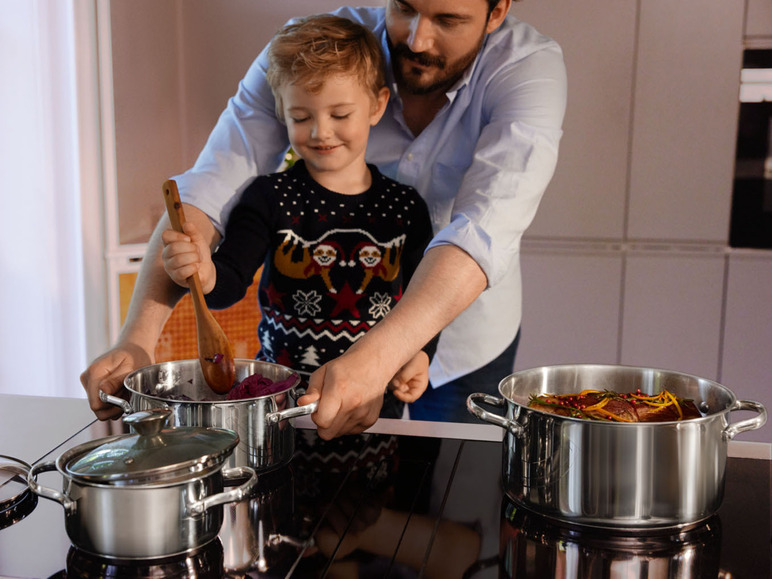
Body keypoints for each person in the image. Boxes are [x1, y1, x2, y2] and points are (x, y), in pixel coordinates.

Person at [81, 0, 567, 438]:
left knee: (445, 495)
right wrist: (138, 339)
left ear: (497, 11)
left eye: (449, 20)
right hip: (302, 366)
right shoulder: (313, 47)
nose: (417, 39)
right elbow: (210, 186)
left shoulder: (527, 70)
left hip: (463, 341)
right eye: (404, 7)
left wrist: (382, 358)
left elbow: (483, 229)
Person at [161, 15, 434, 415]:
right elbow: (228, 286)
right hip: (276, 410)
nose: (321, 132)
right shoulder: (270, 197)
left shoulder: (405, 208)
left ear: (377, 106)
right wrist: (202, 274)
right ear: (281, 112)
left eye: (340, 115)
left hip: (373, 409)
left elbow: (422, 301)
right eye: (302, 117)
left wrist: (421, 352)